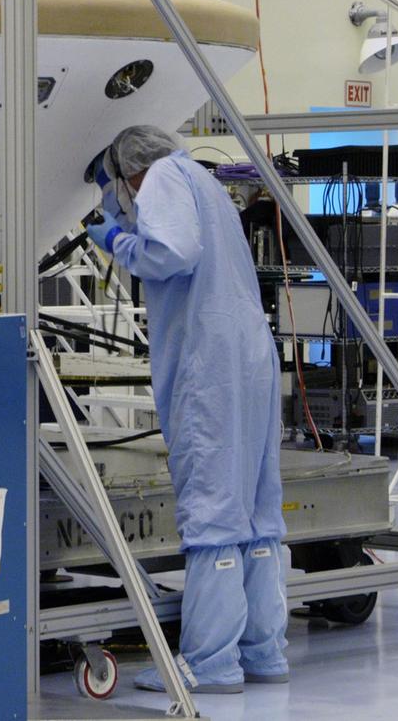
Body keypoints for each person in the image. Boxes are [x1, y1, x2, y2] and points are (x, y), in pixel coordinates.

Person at [83, 124, 288, 694]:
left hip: (210, 362)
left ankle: (211, 661)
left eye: (117, 189)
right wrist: (128, 230)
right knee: (258, 508)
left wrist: (117, 240)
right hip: (249, 352)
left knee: (215, 504)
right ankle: (264, 650)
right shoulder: (202, 180)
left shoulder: (166, 176)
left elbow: (172, 251)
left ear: (129, 174)